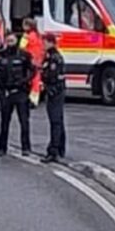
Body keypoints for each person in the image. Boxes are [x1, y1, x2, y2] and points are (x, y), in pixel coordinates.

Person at [0, 31, 34, 156]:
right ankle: (2, 147)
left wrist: (25, 82)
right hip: (6, 92)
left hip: (20, 92)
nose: (10, 43)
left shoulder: (24, 55)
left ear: (16, 41)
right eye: (8, 41)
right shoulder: (0, 56)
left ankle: (26, 148)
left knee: (24, 121)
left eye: (12, 41)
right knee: (4, 122)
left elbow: (32, 71)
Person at [40, 33, 67, 163]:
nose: (43, 45)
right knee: (58, 120)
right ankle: (60, 147)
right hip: (52, 91)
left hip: (55, 91)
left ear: (51, 42)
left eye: (44, 42)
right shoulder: (49, 57)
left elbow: (53, 76)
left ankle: (54, 150)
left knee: (55, 121)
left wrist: (48, 87)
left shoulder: (54, 58)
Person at [18, 17, 45, 103]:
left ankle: (31, 99)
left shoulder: (27, 36)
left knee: (30, 79)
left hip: (29, 60)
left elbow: (21, 47)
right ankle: (35, 98)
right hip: (38, 60)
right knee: (36, 80)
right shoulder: (38, 35)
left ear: (27, 26)